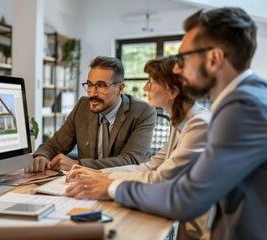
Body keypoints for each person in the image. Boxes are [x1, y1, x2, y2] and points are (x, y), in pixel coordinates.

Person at [66, 7, 267, 239]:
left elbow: (185, 197)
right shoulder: (247, 98)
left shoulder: (242, 108)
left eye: (183, 58)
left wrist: (110, 187)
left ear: (214, 59)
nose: (178, 69)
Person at [66, 57, 211, 239]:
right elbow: (149, 167)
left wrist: (109, 185)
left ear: (172, 91)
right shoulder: (182, 123)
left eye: (151, 82)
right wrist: (100, 174)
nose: (145, 88)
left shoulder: (200, 125)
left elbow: (160, 179)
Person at [29, 56, 156, 172]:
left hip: (122, 185)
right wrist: (42, 156)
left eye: (101, 86)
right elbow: (55, 145)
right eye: (89, 85)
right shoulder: (82, 106)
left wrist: (78, 165)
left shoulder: (143, 111)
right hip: (84, 187)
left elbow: (131, 160)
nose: (92, 93)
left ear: (120, 88)